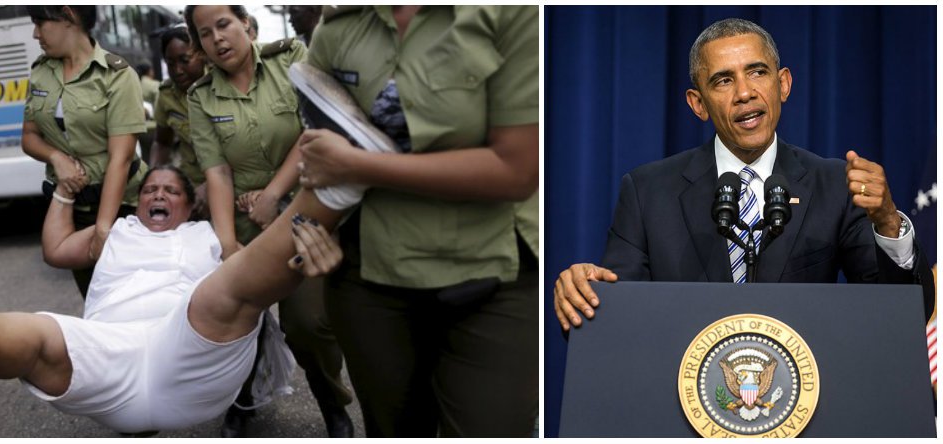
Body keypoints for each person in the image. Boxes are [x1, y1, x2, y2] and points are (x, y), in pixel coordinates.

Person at [0, 165, 359, 435]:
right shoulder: (115, 232)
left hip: (188, 352)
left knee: (222, 295)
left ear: (191, 206)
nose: (158, 195)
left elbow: (250, 279)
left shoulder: (208, 237)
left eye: (171, 191)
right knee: (36, 333)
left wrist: (293, 269)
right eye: (151, 190)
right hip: (106, 349)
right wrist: (65, 191)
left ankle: (336, 181)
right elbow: (53, 248)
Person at [552, 18, 935, 331]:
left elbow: (904, 317)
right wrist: (586, 294)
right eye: (723, 80)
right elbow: (616, 325)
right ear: (698, 103)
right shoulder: (647, 191)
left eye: (757, 73)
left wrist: (887, 223)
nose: (745, 93)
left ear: (782, 84)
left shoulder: (833, 184)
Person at [299, 5, 540, 437]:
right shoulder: (339, 28)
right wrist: (309, 230)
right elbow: (318, 157)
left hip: (492, 274)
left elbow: (517, 169)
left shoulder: (510, 14)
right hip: (369, 278)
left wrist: (359, 166)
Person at [186, 6, 354, 437]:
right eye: (205, 34)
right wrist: (227, 246)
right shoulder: (201, 96)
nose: (217, 39)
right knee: (236, 324)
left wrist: (274, 195)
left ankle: (333, 403)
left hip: (304, 214)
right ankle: (242, 402)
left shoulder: (291, 57)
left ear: (245, 23)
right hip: (243, 226)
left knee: (308, 326)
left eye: (224, 24)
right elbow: (217, 172)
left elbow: (311, 132)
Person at [20, 5, 148, 298]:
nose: (35, 33)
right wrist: (56, 158)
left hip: (122, 208)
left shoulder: (117, 75)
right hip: (71, 209)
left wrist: (104, 228)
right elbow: (29, 137)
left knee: (131, 301)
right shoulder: (41, 71)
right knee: (95, 301)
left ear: (68, 16)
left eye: (40, 22)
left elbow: (121, 158)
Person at [150, 25, 209, 219]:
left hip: (230, 182)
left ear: (201, 55)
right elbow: (163, 142)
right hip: (191, 184)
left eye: (185, 61)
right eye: (170, 63)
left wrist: (210, 186)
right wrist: (155, 178)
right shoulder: (166, 95)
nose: (177, 70)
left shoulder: (221, 86)